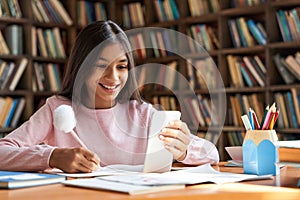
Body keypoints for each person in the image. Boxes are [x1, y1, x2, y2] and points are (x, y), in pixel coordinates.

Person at [0, 20, 219, 173]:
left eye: (121, 66)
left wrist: (184, 151)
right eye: (100, 66)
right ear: (81, 68)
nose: (113, 77)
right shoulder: (57, 108)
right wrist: (52, 156)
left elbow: (212, 154)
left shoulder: (143, 114)